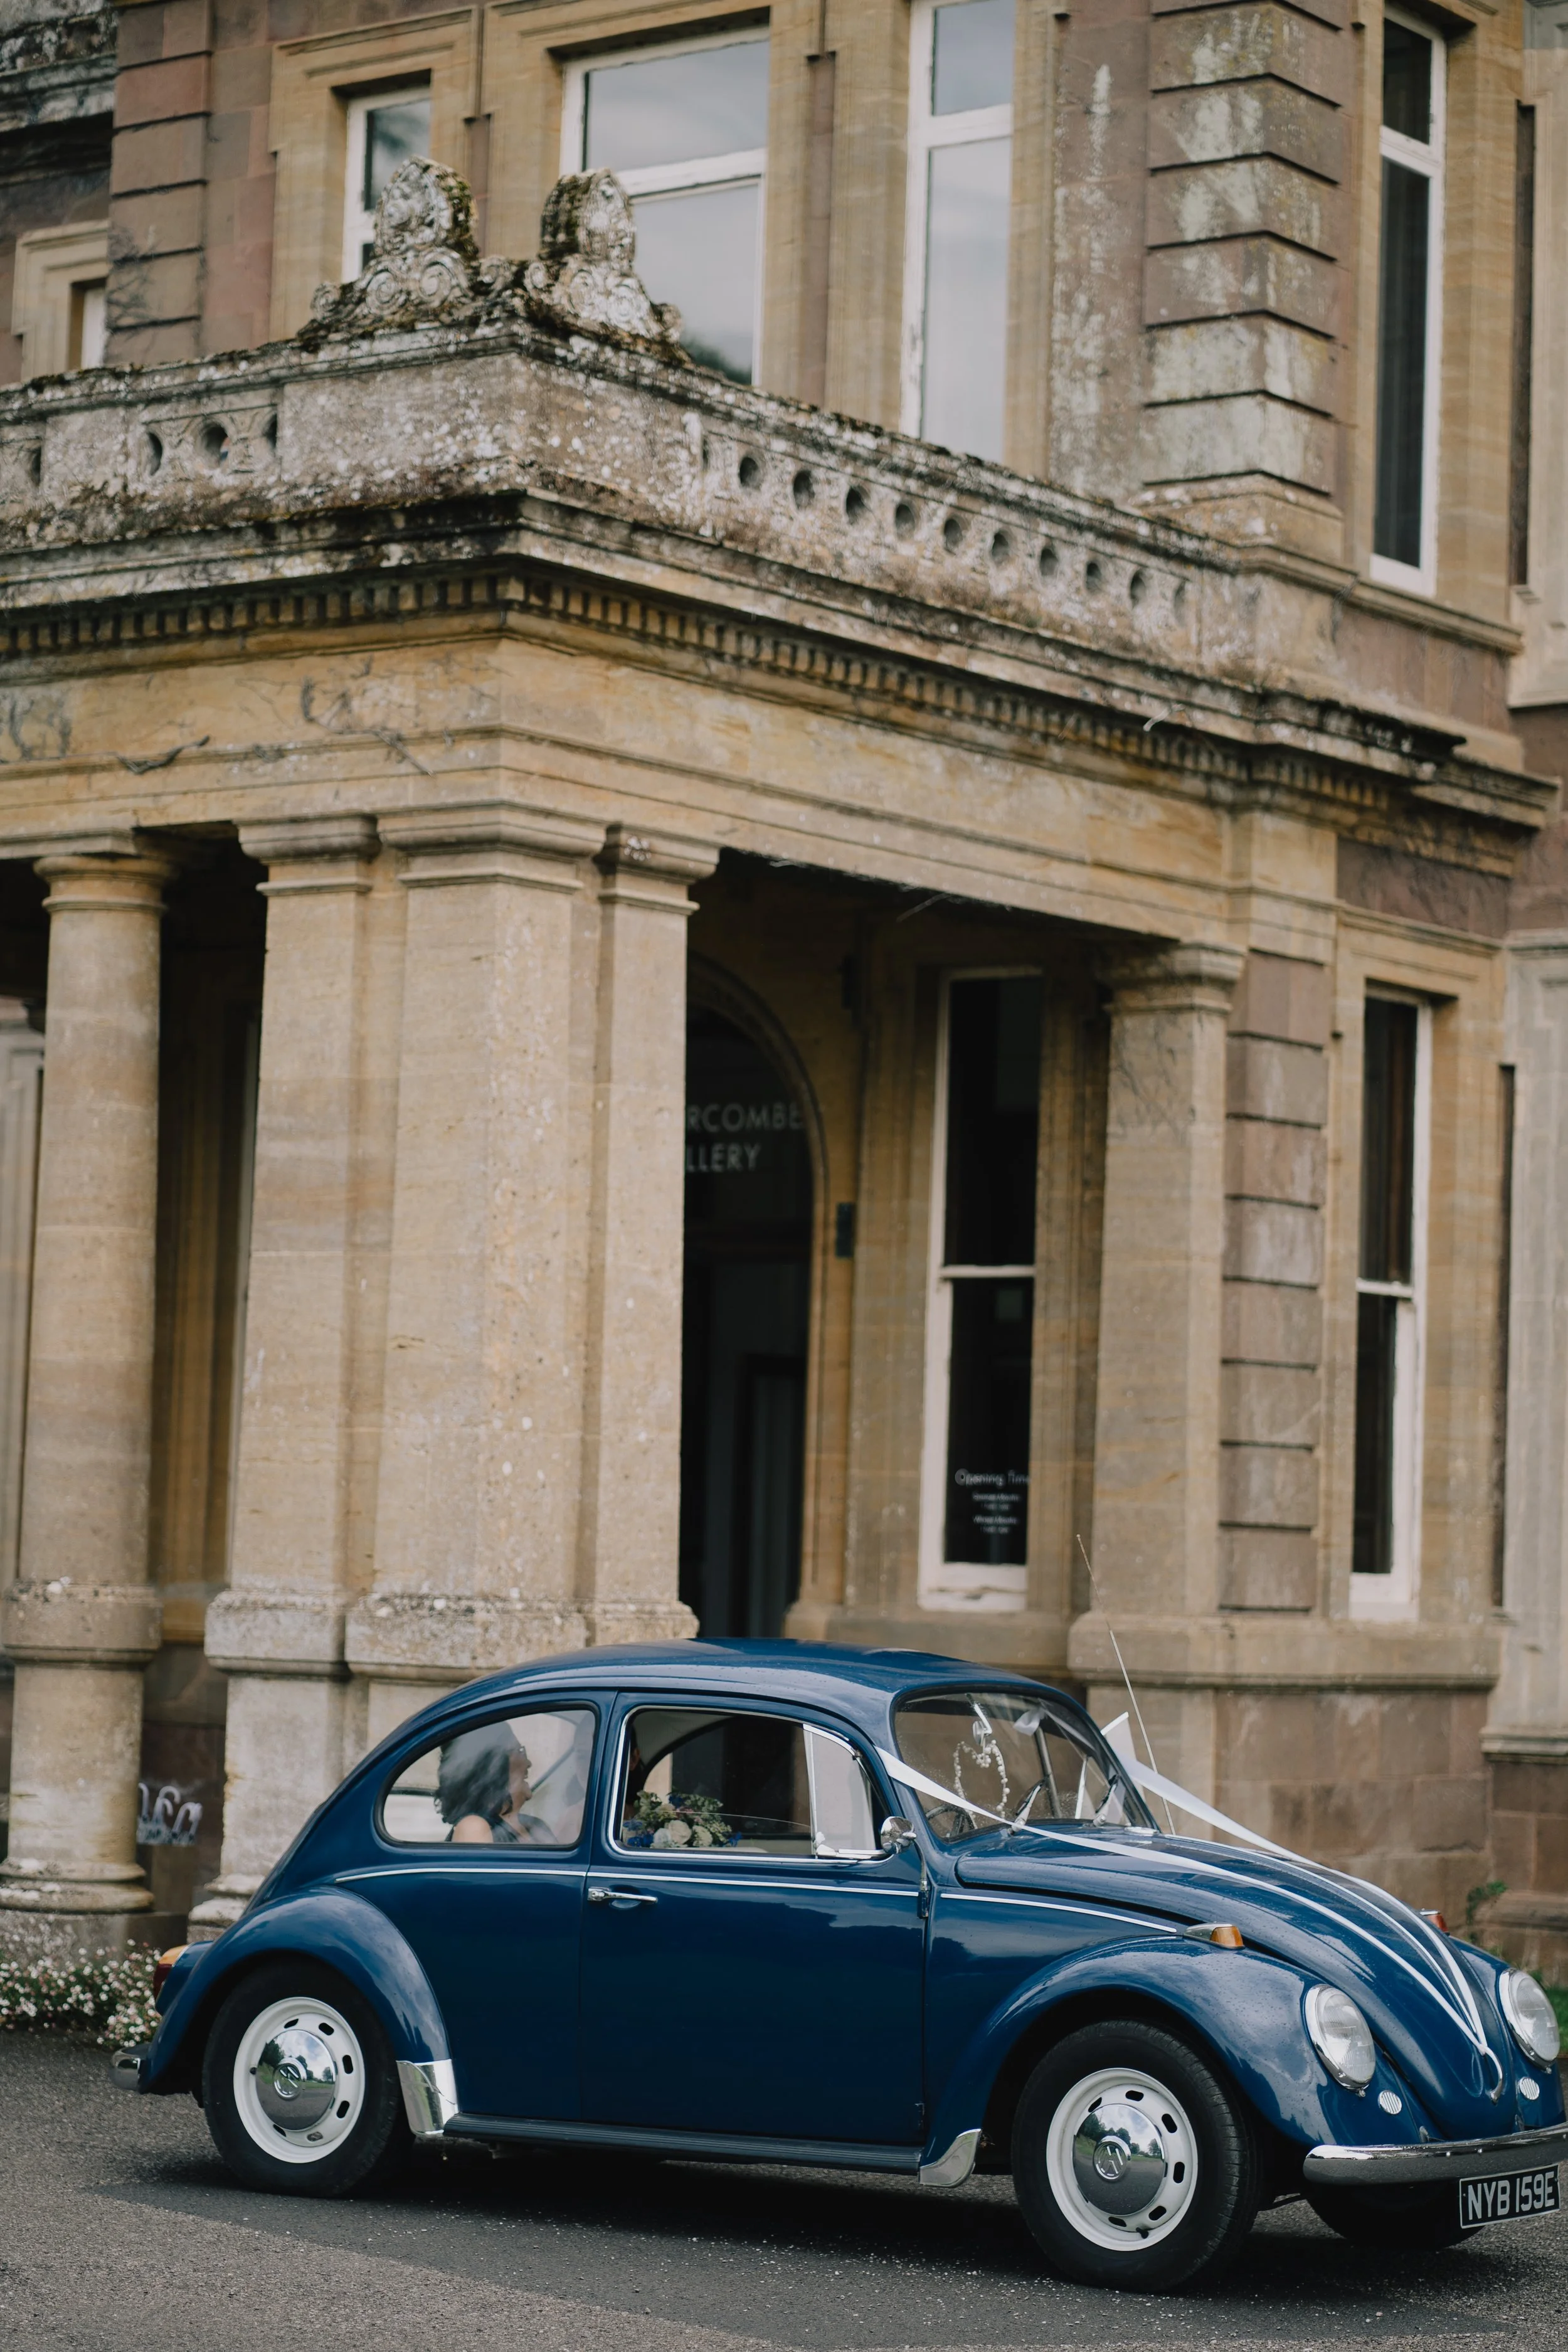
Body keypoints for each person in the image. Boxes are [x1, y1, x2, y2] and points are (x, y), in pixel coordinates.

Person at [437, 1722, 551, 1844]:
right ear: (494, 1767)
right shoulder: (474, 1828)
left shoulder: (535, 1825)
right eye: (519, 1751)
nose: (528, 1763)